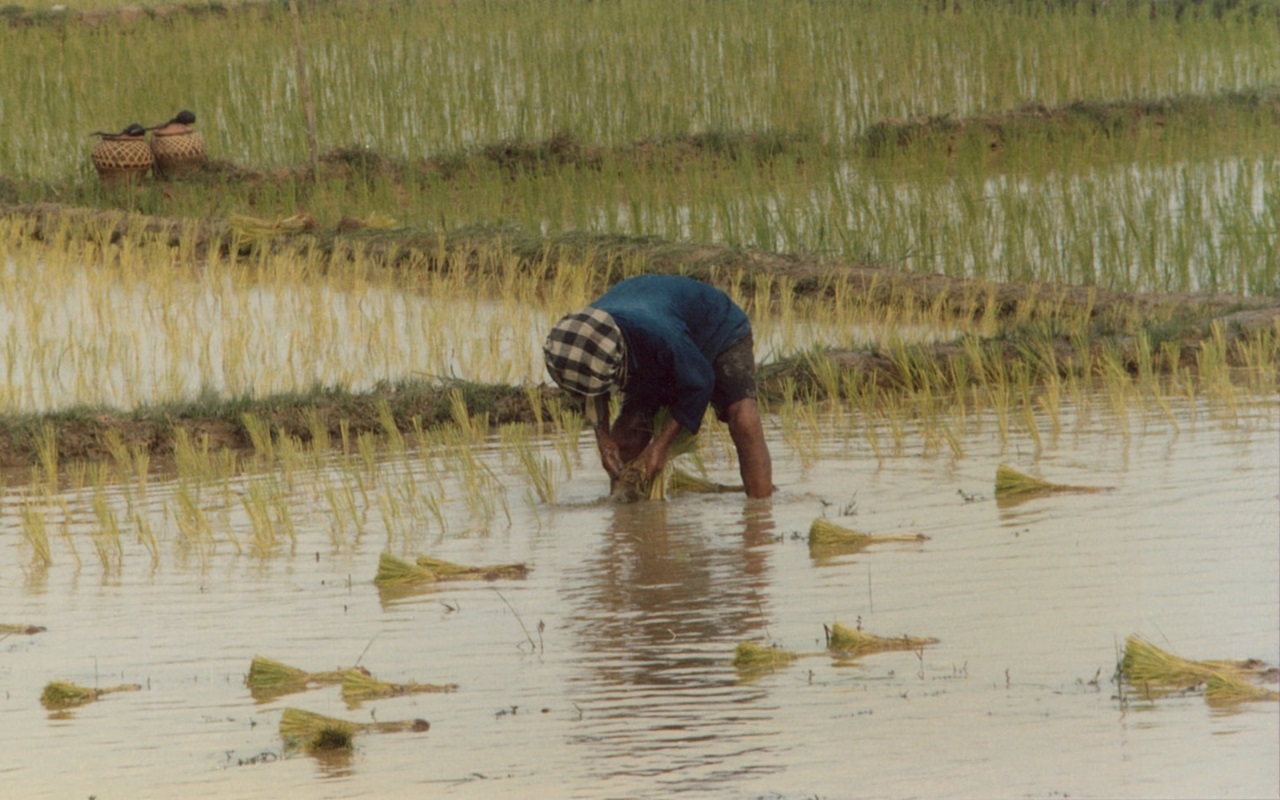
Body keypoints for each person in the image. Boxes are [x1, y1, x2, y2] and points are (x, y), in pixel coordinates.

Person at [543, 274, 773, 499]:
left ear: (618, 361)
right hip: (652, 337)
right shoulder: (585, 336)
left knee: (742, 418)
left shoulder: (662, 338)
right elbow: (592, 390)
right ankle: (626, 521)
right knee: (626, 436)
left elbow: (700, 382)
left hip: (716, 328)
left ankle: (761, 513)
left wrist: (660, 447)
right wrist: (603, 440)